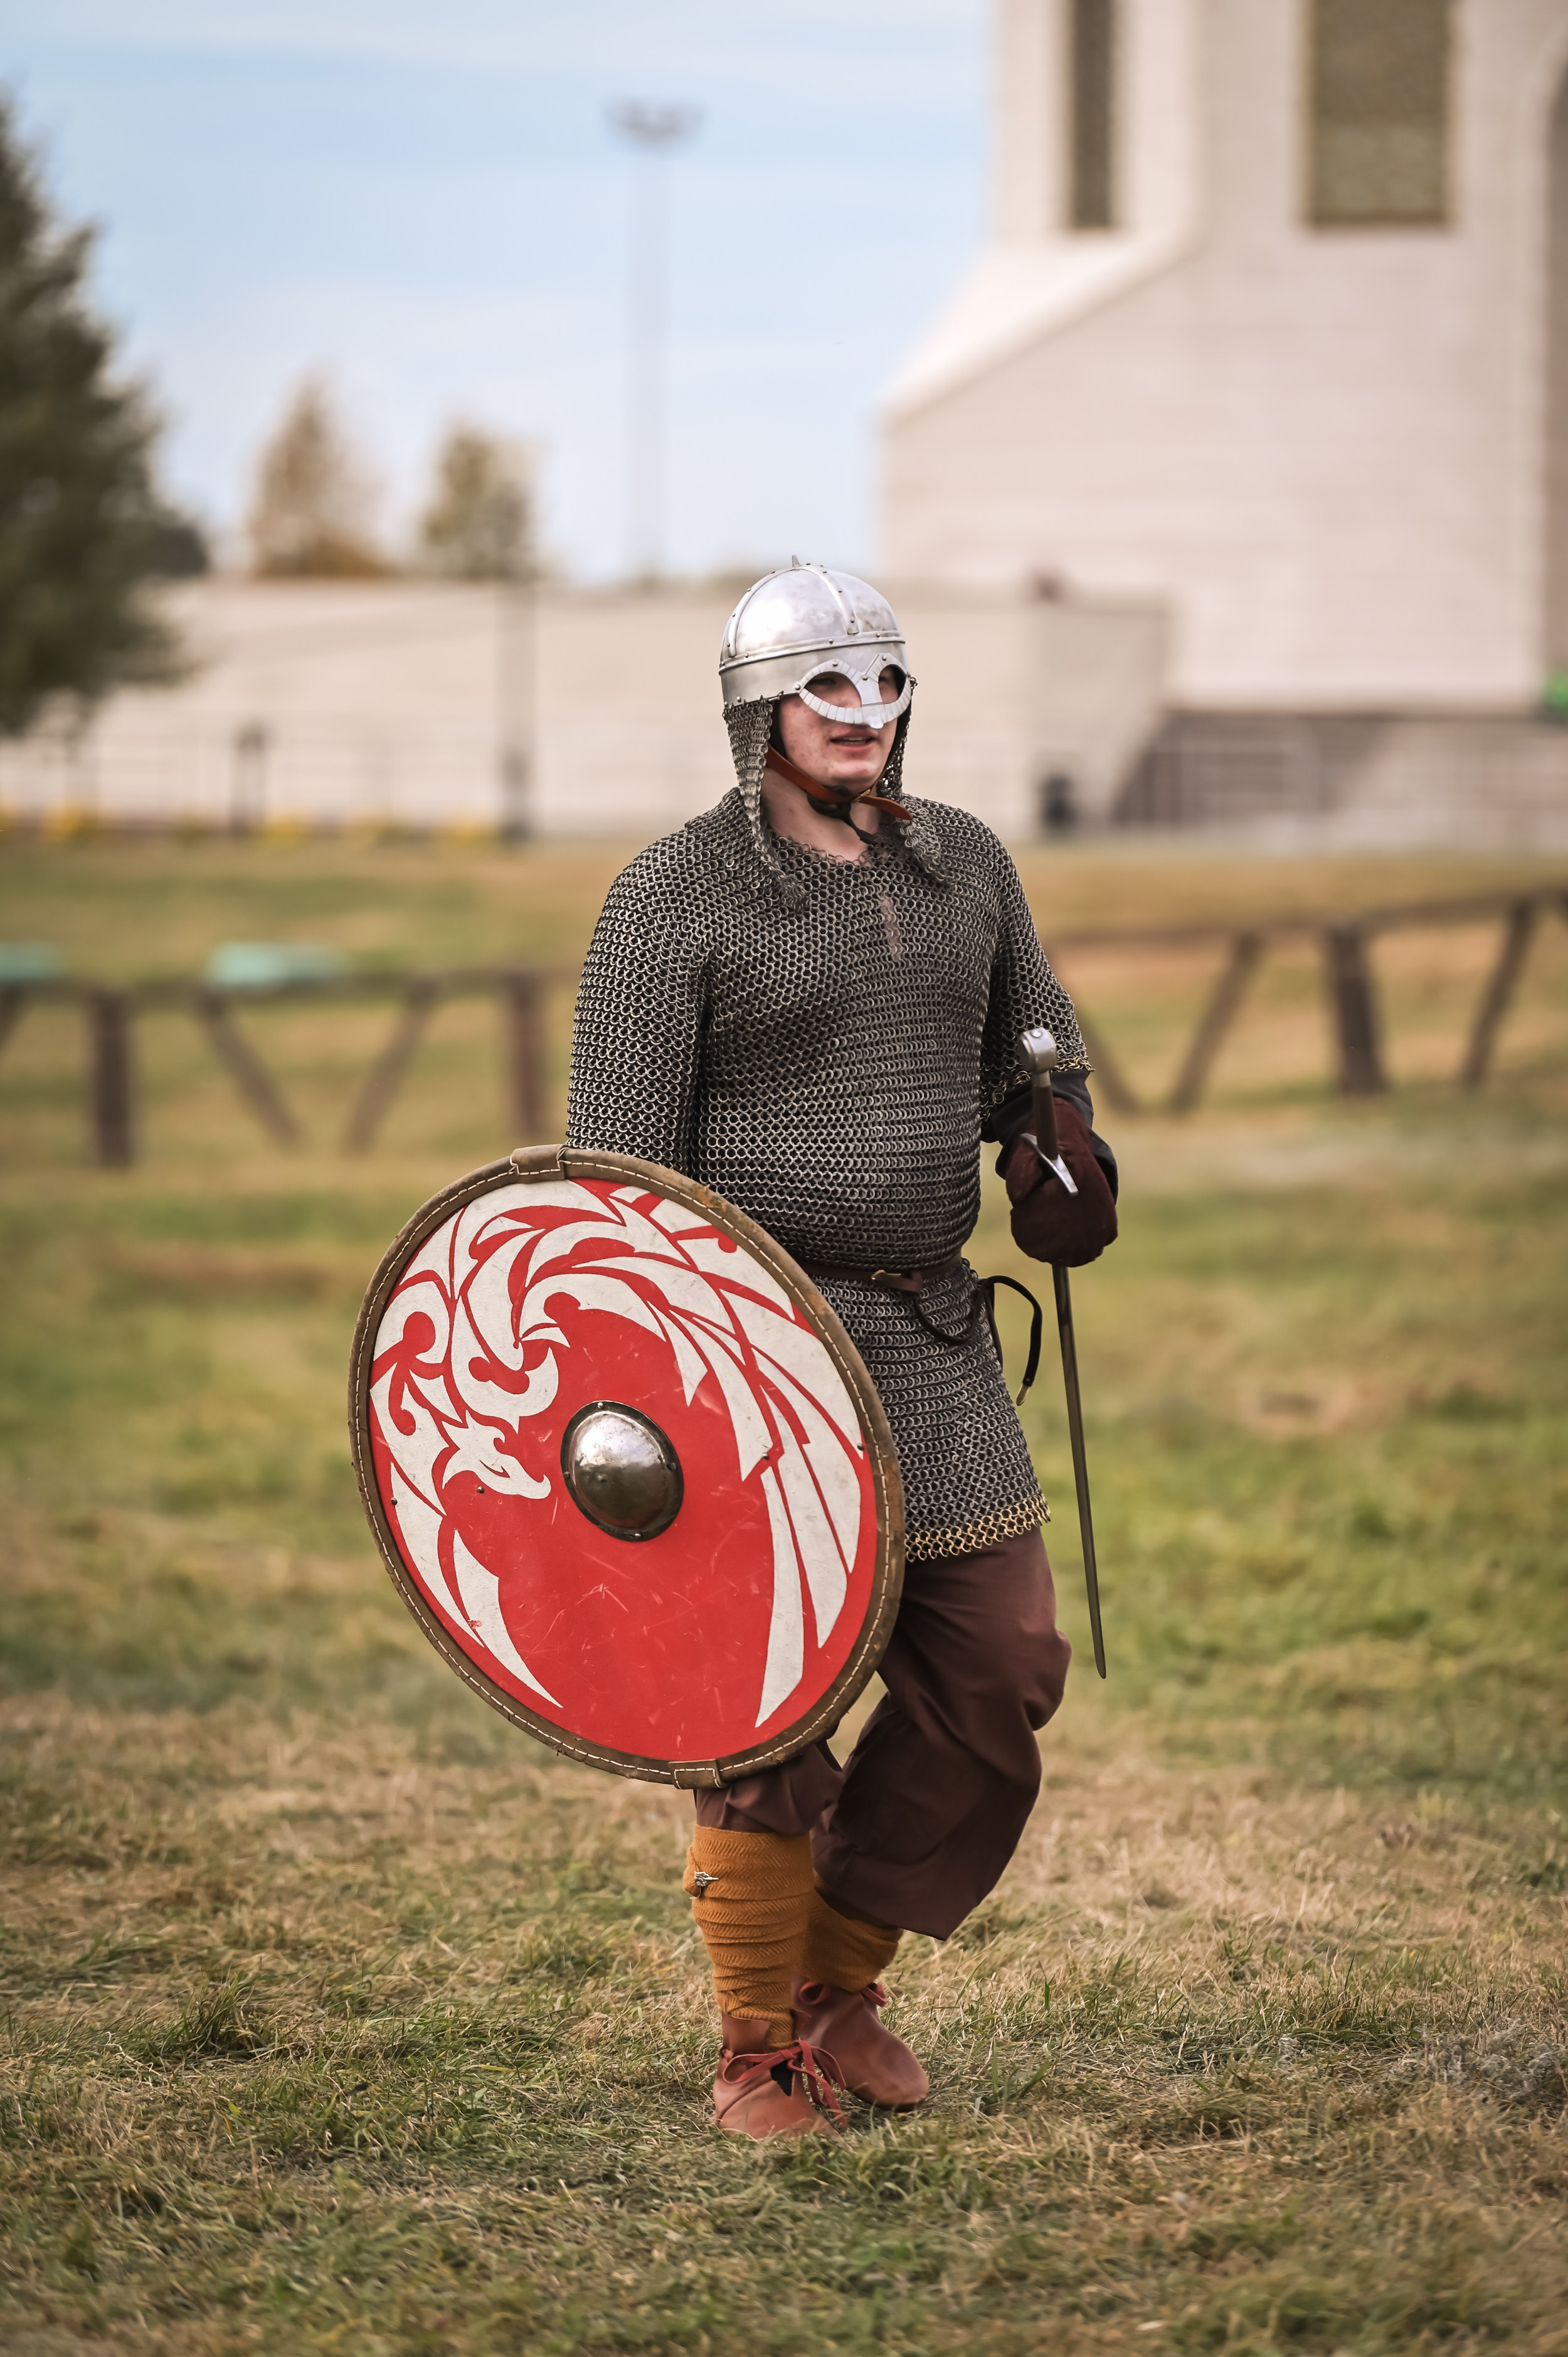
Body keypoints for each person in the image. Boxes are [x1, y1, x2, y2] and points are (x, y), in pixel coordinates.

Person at [564, 563, 1118, 2137]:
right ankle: (752, 2046)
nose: (862, 719)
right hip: (748, 1344)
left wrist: (1058, 1151)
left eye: (882, 689)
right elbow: (610, 1173)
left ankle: (838, 1986)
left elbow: (1034, 1056)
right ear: (761, 712)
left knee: (995, 1665)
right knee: (765, 1710)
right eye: (828, 691)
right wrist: (656, 1370)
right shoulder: (672, 896)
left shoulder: (966, 866)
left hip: (929, 1326)